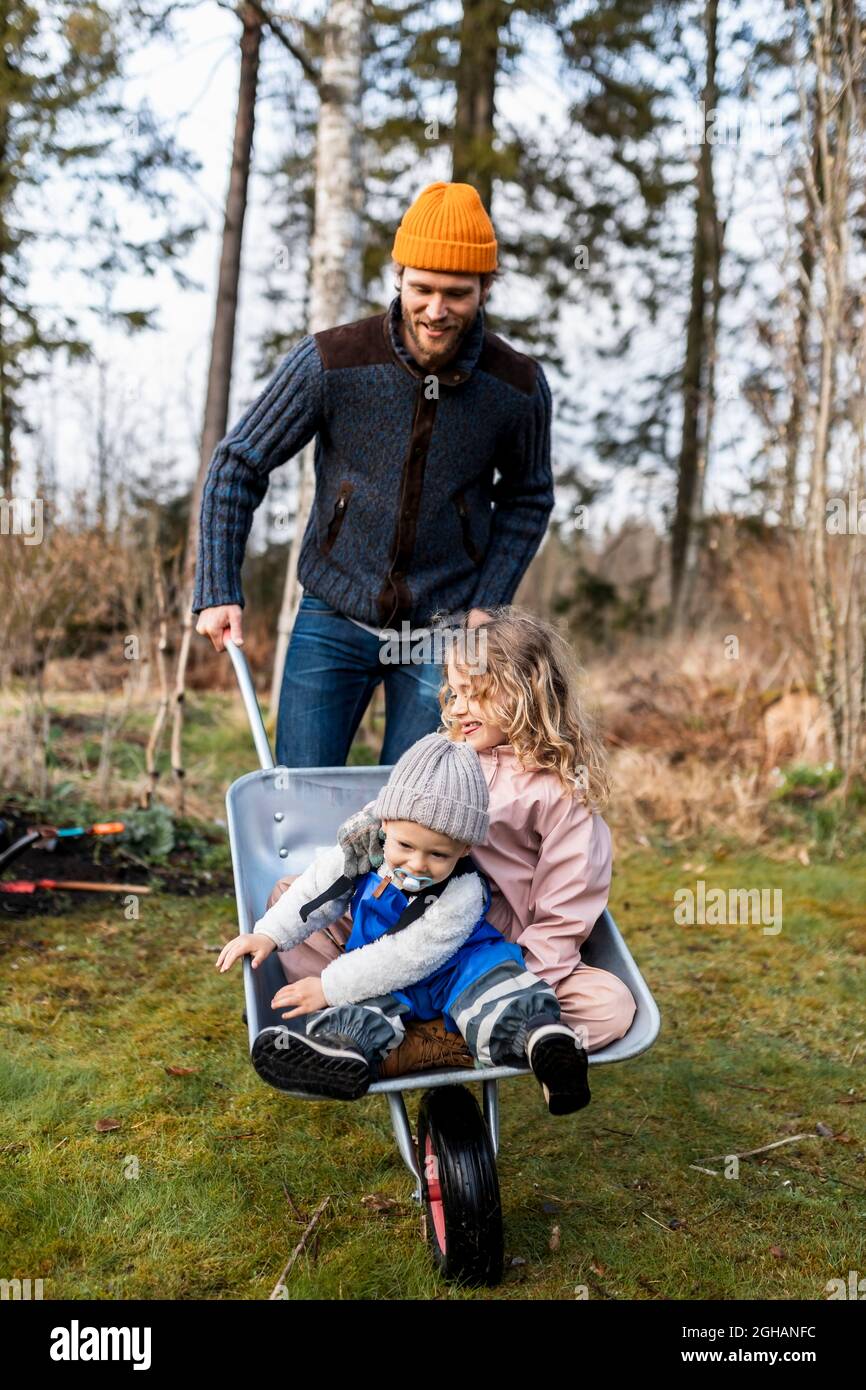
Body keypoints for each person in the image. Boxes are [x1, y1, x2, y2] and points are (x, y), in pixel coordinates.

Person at [192, 180, 554, 768]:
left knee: (420, 809)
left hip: (446, 633)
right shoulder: (333, 361)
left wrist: (488, 606)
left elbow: (529, 499)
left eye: (457, 294)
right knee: (301, 798)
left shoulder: (515, 386)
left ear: (485, 288)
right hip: (332, 615)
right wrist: (216, 587)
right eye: (423, 288)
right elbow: (239, 463)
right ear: (399, 275)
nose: (436, 310)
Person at [275, 606, 637, 1067]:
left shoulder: (559, 791)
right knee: (287, 897)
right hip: (401, 927)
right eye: (454, 693)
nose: (457, 707)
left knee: (609, 1006)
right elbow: (374, 829)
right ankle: (357, 1016)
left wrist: (521, 980)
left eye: (476, 694)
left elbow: (566, 909)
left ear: (526, 694)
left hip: (490, 955)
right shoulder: (444, 760)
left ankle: (420, 1041)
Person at [216, 733, 591, 1115]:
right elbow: (315, 891)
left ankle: (544, 1044)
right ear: (386, 823)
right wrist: (268, 934)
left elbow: (408, 958)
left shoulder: (463, 891)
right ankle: (344, 1054)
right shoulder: (362, 850)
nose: (417, 864)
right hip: (382, 974)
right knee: (362, 1007)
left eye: (438, 854)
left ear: (465, 850)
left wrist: (329, 986)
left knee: (496, 990)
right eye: (406, 847)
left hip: (454, 971)